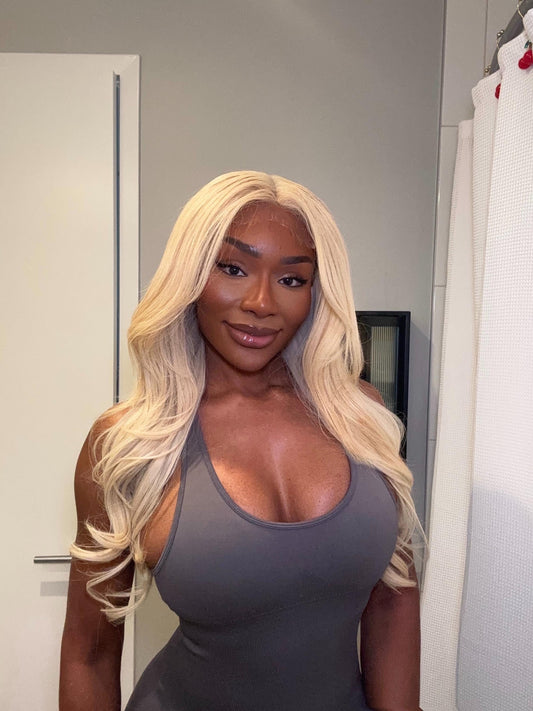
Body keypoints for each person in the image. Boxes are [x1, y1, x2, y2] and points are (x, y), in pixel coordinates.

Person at [59, 170, 423, 711]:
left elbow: (393, 596)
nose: (261, 302)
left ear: (316, 293)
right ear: (190, 277)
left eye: (292, 279)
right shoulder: (130, 443)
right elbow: (88, 653)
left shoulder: (359, 414)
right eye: (232, 268)